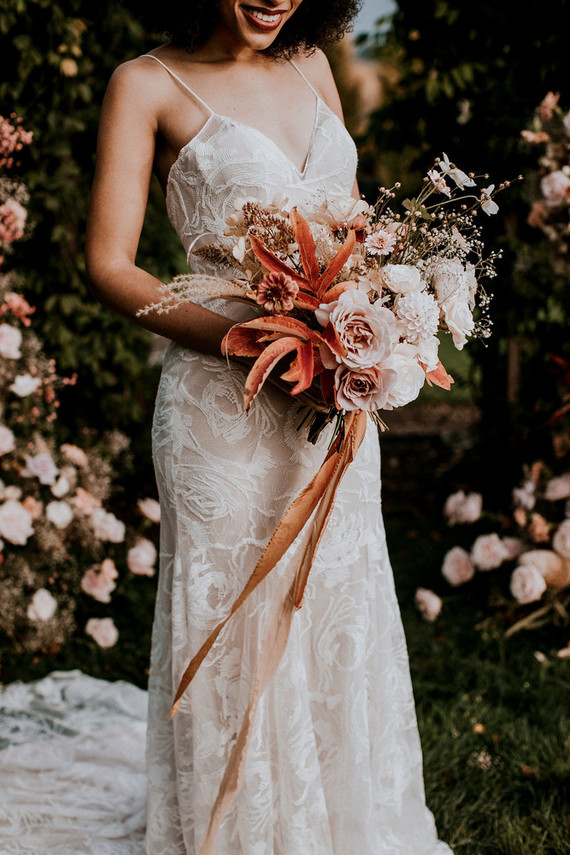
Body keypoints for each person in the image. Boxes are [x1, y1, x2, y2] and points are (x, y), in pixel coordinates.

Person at [86, 2, 453, 853]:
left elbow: (352, 228)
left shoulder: (313, 63)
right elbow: (108, 264)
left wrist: (376, 319)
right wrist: (245, 338)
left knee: (337, 606)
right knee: (233, 621)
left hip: (333, 401)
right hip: (221, 413)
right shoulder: (145, 84)